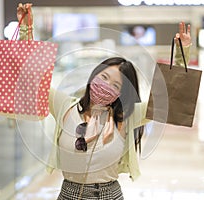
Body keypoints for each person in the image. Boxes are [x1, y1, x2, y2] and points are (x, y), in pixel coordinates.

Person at [17, 3, 191, 200]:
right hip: (68, 195)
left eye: (116, 86)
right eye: (104, 77)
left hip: (109, 195)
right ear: (94, 75)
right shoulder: (65, 107)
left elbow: (170, 100)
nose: (106, 86)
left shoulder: (127, 116)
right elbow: (32, 80)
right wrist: (25, 29)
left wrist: (182, 53)